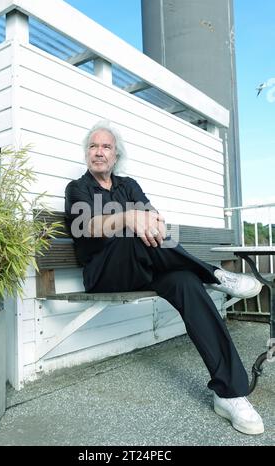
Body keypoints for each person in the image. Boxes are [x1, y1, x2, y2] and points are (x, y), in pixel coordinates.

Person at [65, 120, 264, 435]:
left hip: (143, 268)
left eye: (106, 147)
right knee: (132, 231)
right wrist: (128, 217)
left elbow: (156, 219)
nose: (98, 152)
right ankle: (212, 273)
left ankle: (230, 393)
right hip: (105, 273)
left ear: (116, 156)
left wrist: (147, 220)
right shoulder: (78, 188)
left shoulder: (128, 185)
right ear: (87, 154)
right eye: (93, 146)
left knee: (186, 281)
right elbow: (86, 227)